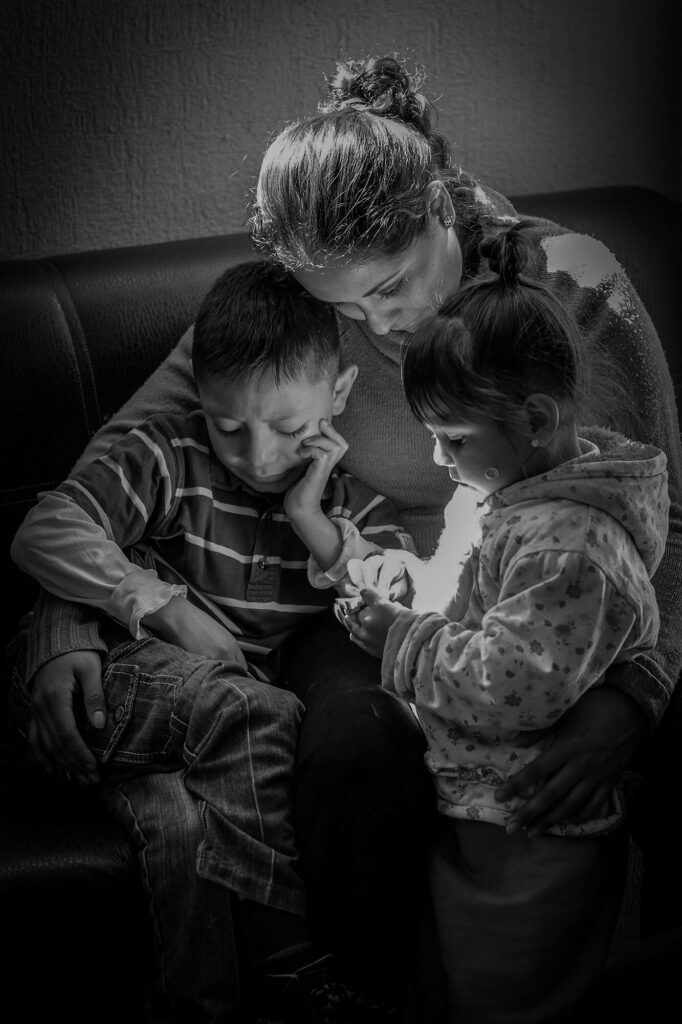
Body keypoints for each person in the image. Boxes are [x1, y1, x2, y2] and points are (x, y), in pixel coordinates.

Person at [8, 52, 682, 1005]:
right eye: (346, 306)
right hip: (382, 592)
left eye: (397, 282)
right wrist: (65, 628)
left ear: (444, 205)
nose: (385, 321)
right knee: (352, 750)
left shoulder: (567, 291)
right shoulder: (300, 310)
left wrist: (635, 703)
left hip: (579, 608)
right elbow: (111, 469)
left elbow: (668, 518)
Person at [10, 259, 415, 1024]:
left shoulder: (351, 505)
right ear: (199, 394)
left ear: (338, 398)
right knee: (260, 711)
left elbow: (383, 590)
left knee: (183, 834)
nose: (258, 456)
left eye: (290, 430)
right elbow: (46, 528)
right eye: (230, 426)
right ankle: (286, 958)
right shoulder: (171, 456)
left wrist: (307, 516)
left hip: (171, 745)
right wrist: (162, 605)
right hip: (119, 675)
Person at [340, 221, 670, 1023]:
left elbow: (508, 683)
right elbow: (515, 624)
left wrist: (403, 638)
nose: (437, 460)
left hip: (532, 833)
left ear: (535, 417)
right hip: (487, 815)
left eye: (452, 439)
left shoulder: (573, 545)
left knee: (504, 1002)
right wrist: (421, 587)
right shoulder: (527, 506)